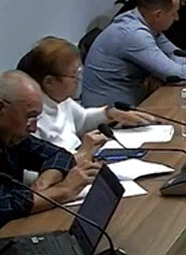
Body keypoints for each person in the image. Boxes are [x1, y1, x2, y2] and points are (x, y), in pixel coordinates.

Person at [17, 37, 158, 164]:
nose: (78, 80)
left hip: (83, 160)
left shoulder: (62, 101)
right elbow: (35, 171)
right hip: (68, 171)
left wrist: (110, 114)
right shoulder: (31, 118)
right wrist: (83, 152)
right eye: (73, 75)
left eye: (79, 73)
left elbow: (82, 120)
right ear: (49, 82)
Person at [0, 71, 98, 228]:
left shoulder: (12, 136)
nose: (33, 128)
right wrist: (63, 190)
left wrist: (41, 185)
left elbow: (58, 155)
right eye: (29, 117)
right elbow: (4, 205)